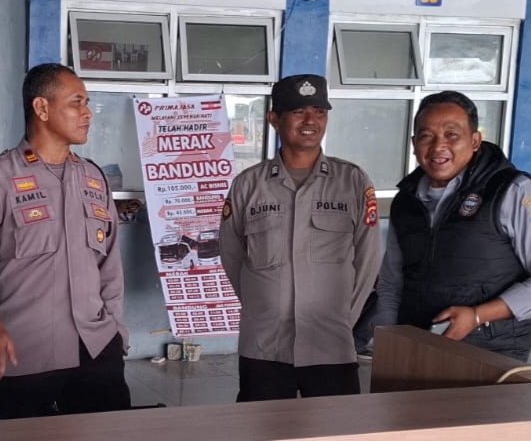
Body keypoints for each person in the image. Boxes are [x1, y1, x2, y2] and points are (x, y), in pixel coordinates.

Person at [0, 63, 130, 419]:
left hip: (96, 350)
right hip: (23, 350)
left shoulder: (94, 178)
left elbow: (109, 264)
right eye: (76, 102)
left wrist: (115, 330)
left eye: (87, 103)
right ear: (42, 108)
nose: (87, 113)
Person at [218, 74, 381, 401]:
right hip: (264, 344)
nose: (310, 121)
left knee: (335, 426)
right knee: (261, 424)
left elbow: (368, 258)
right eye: (298, 112)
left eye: (319, 112)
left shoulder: (351, 181)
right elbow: (232, 254)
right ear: (274, 119)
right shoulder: (249, 184)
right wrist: (263, 303)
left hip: (331, 344)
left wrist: (342, 319)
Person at [375, 91, 531, 361]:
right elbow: (392, 282)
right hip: (417, 349)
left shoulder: (511, 191)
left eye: (451, 135)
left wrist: (478, 315)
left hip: (490, 355)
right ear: (413, 143)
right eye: (426, 136)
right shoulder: (406, 201)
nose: (438, 147)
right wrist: (388, 340)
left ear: (475, 141)